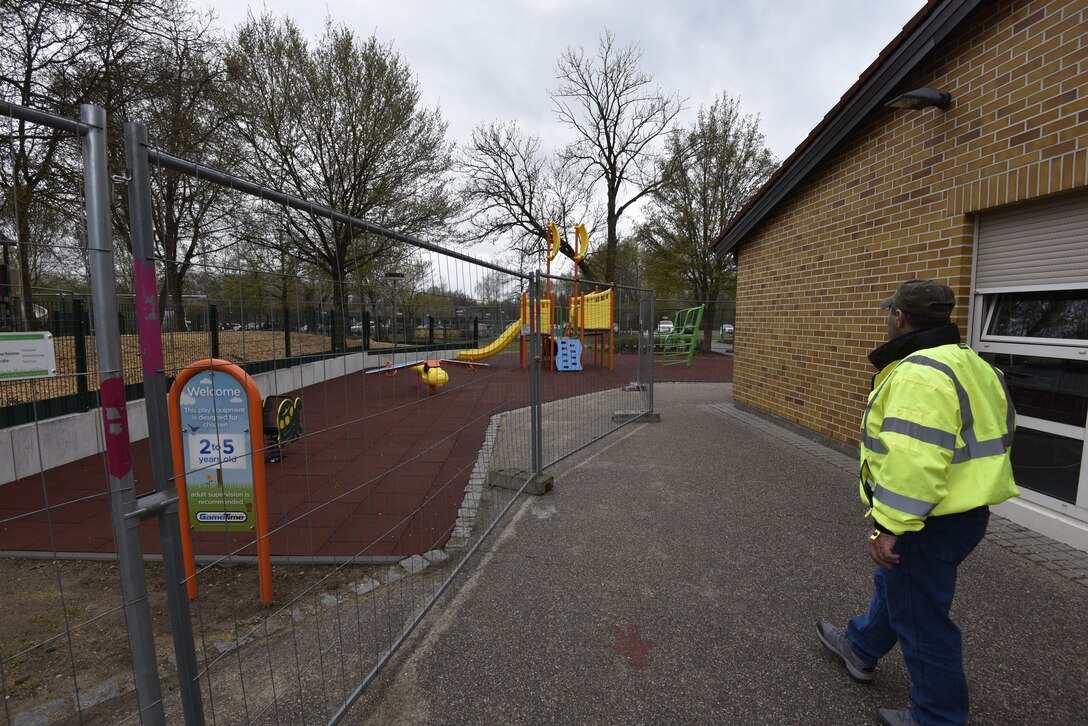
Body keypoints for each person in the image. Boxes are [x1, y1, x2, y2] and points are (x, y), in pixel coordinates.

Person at [816, 279, 1019, 726]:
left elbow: (915, 462)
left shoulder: (918, 373)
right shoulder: (976, 365)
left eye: (888, 312)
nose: (886, 319)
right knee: (901, 587)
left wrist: (890, 525)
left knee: (923, 620)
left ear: (899, 318)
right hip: (967, 512)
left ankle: (937, 715)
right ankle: (861, 646)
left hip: (928, 518)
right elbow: (1004, 429)